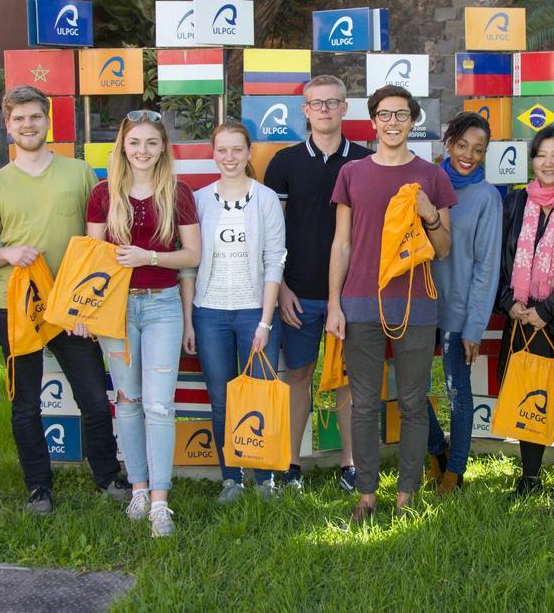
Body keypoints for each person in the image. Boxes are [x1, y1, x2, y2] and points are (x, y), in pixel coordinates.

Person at [0, 85, 130, 513]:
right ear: (8, 126)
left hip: (73, 306)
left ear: (49, 121)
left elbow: (98, 240)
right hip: (16, 305)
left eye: (35, 117)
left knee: (96, 399)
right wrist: (6, 253)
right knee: (25, 403)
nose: (28, 125)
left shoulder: (79, 173)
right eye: (19, 119)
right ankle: (38, 487)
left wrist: (88, 306)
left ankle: (106, 477)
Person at [327, 85, 455, 523]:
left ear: (413, 120)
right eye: (385, 115)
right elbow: (341, 244)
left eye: (402, 115)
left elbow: (443, 248)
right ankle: (365, 494)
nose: (393, 123)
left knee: (413, 403)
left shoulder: (432, 176)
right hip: (360, 303)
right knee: (364, 403)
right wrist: (333, 304)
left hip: (416, 304)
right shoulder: (353, 173)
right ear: (373, 120)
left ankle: (406, 494)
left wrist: (430, 213)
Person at [85, 110, 200, 536]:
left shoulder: (179, 193)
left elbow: (192, 255)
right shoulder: (103, 194)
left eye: (152, 143)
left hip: (162, 306)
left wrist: (149, 257)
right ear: (123, 146)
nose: (143, 151)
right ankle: (137, 487)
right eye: (135, 143)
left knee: (158, 404)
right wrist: (86, 311)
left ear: (163, 148)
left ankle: (160, 503)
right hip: (115, 309)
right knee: (128, 400)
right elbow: (91, 259)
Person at [264, 75, 371, 492]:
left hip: (352, 295)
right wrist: (283, 288)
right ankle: (291, 464)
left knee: (348, 379)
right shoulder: (284, 163)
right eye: (316, 103)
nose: (325, 109)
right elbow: (271, 234)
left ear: (346, 108)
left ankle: (350, 464)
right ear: (305, 111)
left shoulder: (365, 161)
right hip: (298, 293)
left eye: (333, 102)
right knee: (298, 376)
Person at [182, 120, 286, 503]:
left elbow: (275, 262)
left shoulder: (266, 199)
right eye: (222, 150)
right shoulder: (198, 199)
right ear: (213, 153)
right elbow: (189, 266)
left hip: (252, 314)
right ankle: (231, 478)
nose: (229, 157)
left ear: (248, 153)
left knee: (259, 396)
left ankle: (264, 480)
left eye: (237, 150)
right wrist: (190, 319)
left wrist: (264, 320)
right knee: (221, 398)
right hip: (209, 313)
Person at [496, 125, 554, 504]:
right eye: (541, 155)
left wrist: (547, 310)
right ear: (532, 160)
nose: (548, 162)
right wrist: (509, 302)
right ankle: (529, 477)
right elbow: (503, 257)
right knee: (529, 391)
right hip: (521, 317)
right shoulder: (517, 202)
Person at [422, 111, 502, 494]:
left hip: (457, 310)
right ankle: (437, 449)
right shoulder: (424, 184)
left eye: (479, 149)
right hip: (418, 306)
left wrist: (474, 325)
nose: (469, 154)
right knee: (410, 391)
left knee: (458, 393)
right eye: (463, 145)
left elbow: (487, 267)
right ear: (448, 143)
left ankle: (454, 474)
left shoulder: (487, 197)